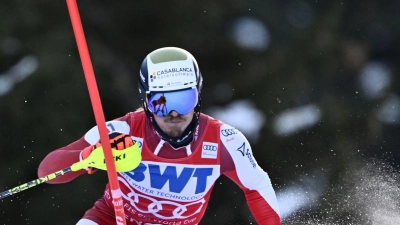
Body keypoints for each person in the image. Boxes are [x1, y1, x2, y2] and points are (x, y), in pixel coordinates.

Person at [38, 47, 281, 225]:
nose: (174, 113)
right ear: (145, 101)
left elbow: (256, 185)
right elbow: (46, 173)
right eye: (161, 103)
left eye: (184, 100)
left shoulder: (224, 141)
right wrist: (88, 156)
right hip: (110, 220)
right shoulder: (122, 131)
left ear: (198, 97)